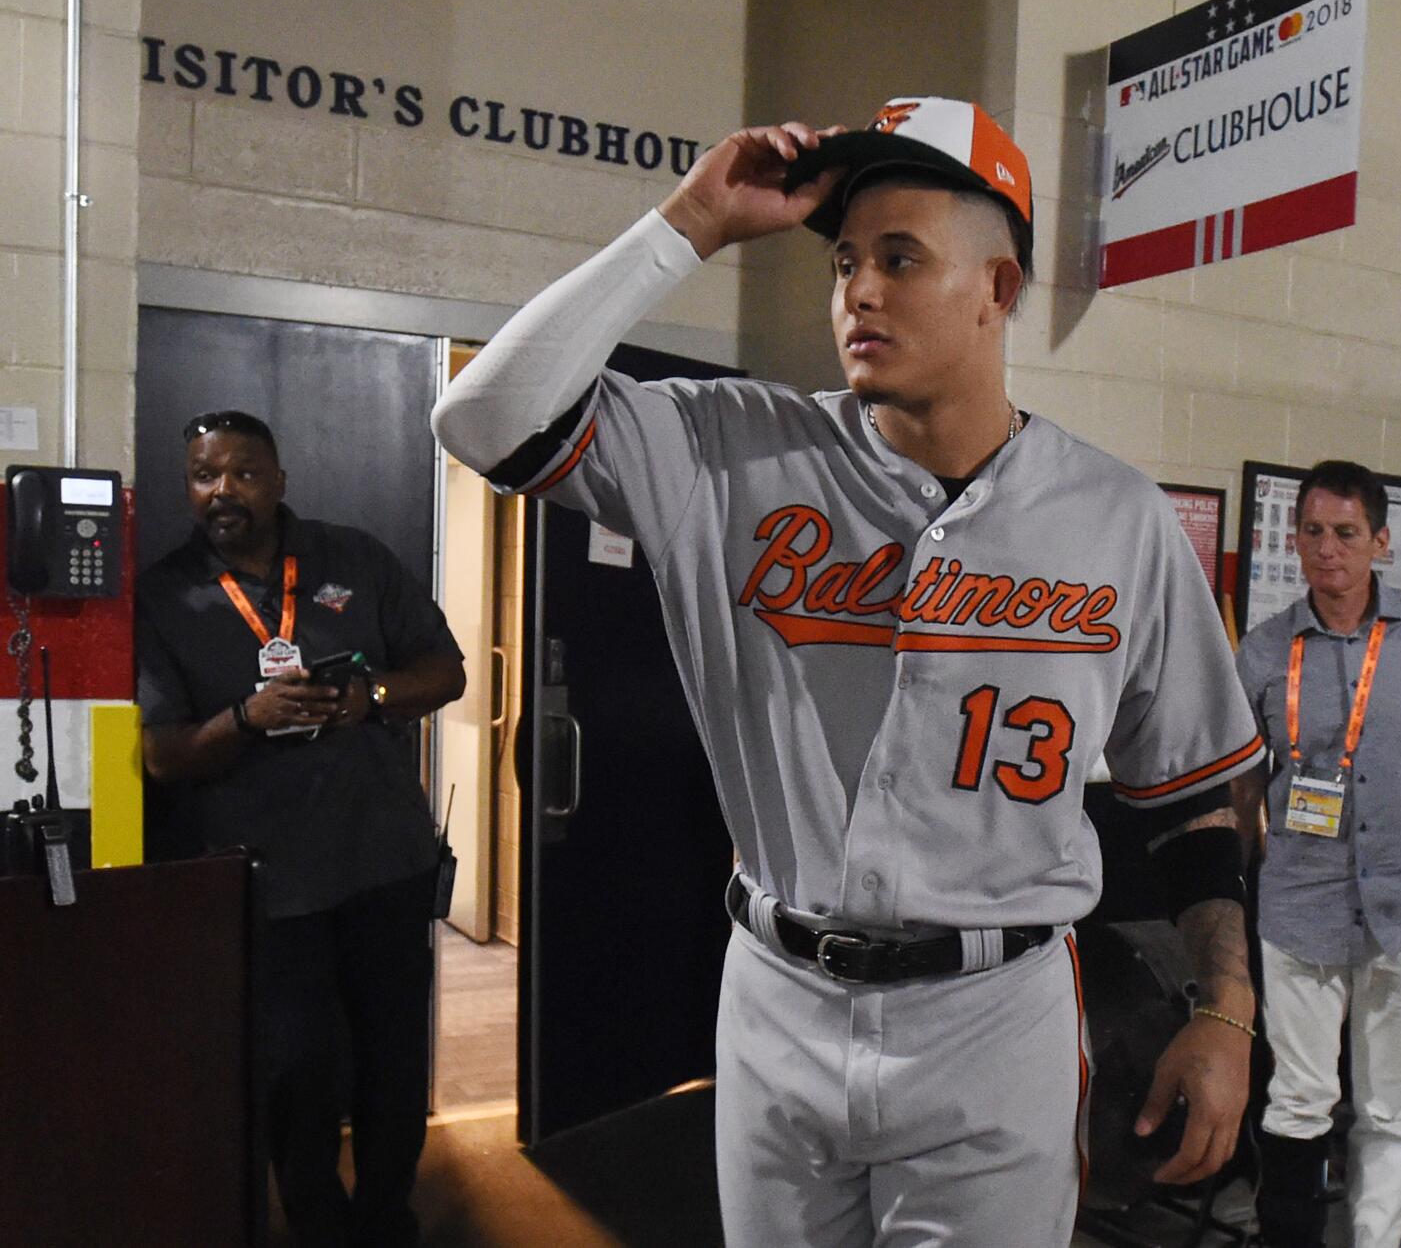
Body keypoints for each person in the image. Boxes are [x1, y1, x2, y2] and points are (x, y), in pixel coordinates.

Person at [433, 97, 1265, 1245]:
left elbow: (1191, 801)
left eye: (900, 258)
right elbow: (482, 415)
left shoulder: (1116, 517)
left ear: (998, 290)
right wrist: (691, 220)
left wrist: (1226, 1009)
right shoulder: (730, 449)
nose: (858, 292)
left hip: (995, 1012)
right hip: (780, 992)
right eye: (844, 262)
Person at [135, 410, 466, 1247]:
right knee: (299, 1074)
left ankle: (388, 1217)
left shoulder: (353, 557)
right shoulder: (163, 595)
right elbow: (163, 755)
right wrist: (247, 716)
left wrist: (371, 699)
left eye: (243, 472)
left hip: (385, 863)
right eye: (205, 476)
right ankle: (317, 1224)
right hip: (269, 886)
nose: (223, 491)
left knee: (393, 1065)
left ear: (279, 480)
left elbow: (446, 669)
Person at [1232, 459, 1401, 1248]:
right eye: (1310, 531)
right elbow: (1243, 779)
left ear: (1380, 540)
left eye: (1345, 533)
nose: (1325, 549)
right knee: (1297, 1100)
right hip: (1299, 909)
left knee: (1385, 1106)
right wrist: (1251, 878)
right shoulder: (1268, 650)